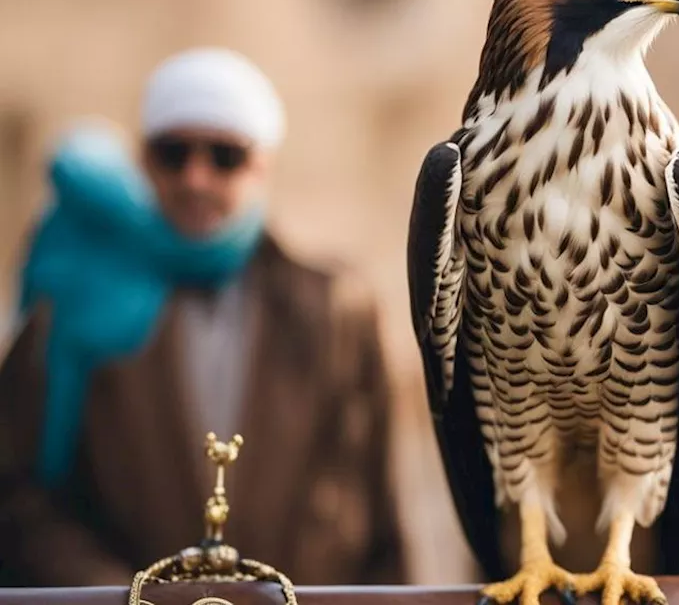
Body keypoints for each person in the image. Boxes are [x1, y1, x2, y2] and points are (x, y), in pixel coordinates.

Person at [0, 48, 408, 585]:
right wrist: (123, 595)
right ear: (145, 161)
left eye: (224, 156)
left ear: (263, 165)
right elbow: (18, 497)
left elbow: (376, 520)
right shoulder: (73, 307)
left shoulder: (334, 310)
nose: (196, 178)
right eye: (174, 153)